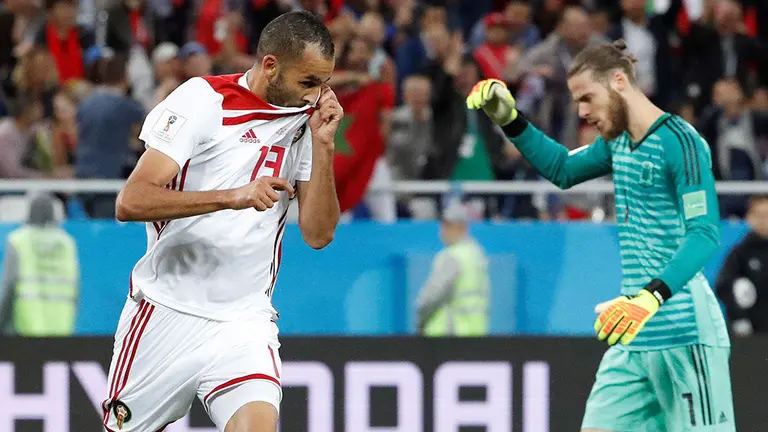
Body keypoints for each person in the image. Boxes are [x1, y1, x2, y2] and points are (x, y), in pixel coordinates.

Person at [467, 39, 734, 431]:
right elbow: (562, 168)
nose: (583, 112)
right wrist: (511, 120)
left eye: (588, 98)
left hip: (683, 333)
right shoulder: (618, 144)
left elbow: (705, 233)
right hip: (632, 333)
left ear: (619, 81)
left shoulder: (681, 142)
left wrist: (650, 295)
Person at [102, 10, 341, 432]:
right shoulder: (202, 101)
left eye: (324, 82)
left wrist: (324, 146)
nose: (317, 95)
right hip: (165, 311)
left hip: (243, 321)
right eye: (308, 82)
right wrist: (232, 197)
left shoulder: (306, 125)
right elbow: (130, 201)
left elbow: (319, 234)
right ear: (270, 65)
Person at [0, 193, 79, 336]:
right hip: (61, 326)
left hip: (26, 326)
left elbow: (8, 286)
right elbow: (75, 289)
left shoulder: (18, 240)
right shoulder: (67, 243)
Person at [416, 200, 490, 336]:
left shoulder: (452, 256)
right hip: (476, 334)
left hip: (449, 335)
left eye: (445, 226)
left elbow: (432, 296)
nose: (442, 232)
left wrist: (420, 318)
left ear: (458, 227)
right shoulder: (477, 255)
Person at [715, 195, 768, 336]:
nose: (763, 221)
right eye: (759, 215)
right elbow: (724, 285)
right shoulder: (741, 252)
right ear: (749, 218)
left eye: (767, 215)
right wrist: (738, 318)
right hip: (752, 331)